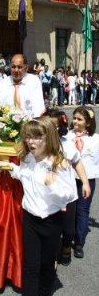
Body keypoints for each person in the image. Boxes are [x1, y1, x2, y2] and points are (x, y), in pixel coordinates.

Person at [0, 117, 77, 296]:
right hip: (30, 218)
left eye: (37, 137)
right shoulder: (27, 158)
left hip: (51, 220)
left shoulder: (60, 163)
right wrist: (11, 167)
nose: (31, 142)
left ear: (48, 137)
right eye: (28, 136)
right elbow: (25, 176)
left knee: (47, 264)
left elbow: (69, 195)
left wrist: (53, 184)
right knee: (30, 267)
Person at [44, 109, 91, 265]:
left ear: (60, 127)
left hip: (68, 194)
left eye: (54, 126)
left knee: (68, 229)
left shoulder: (67, 145)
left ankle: (66, 247)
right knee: (50, 228)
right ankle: (50, 256)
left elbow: (77, 163)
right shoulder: (39, 144)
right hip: (47, 195)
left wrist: (84, 182)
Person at [63, 106, 99, 259]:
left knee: (82, 210)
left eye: (79, 119)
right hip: (68, 178)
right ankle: (65, 239)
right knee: (68, 209)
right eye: (74, 118)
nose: (75, 121)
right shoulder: (67, 135)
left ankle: (79, 242)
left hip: (87, 179)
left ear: (88, 123)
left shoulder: (95, 139)